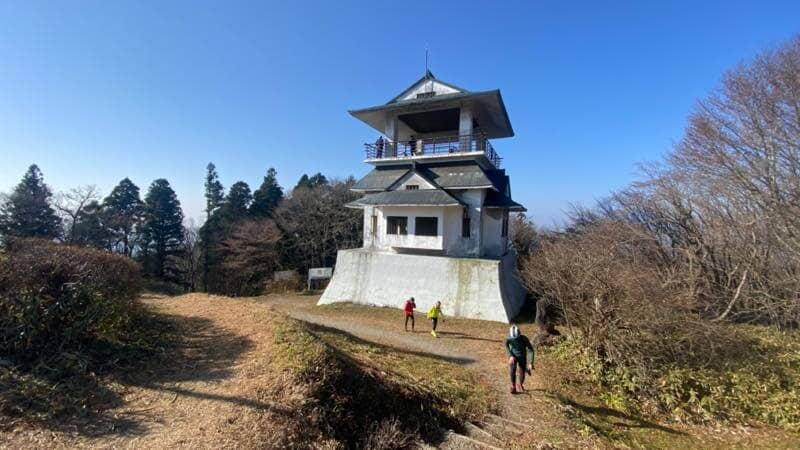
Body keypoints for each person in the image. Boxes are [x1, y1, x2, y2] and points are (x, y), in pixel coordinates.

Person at [505, 325, 534, 394]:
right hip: (513, 357)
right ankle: (513, 386)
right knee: (512, 370)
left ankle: (520, 384)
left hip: (522, 357)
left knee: (522, 372)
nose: (515, 339)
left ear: (519, 334)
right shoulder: (509, 339)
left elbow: (530, 350)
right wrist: (510, 356)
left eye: (517, 338)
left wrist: (531, 363)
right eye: (513, 338)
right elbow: (506, 346)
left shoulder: (524, 339)